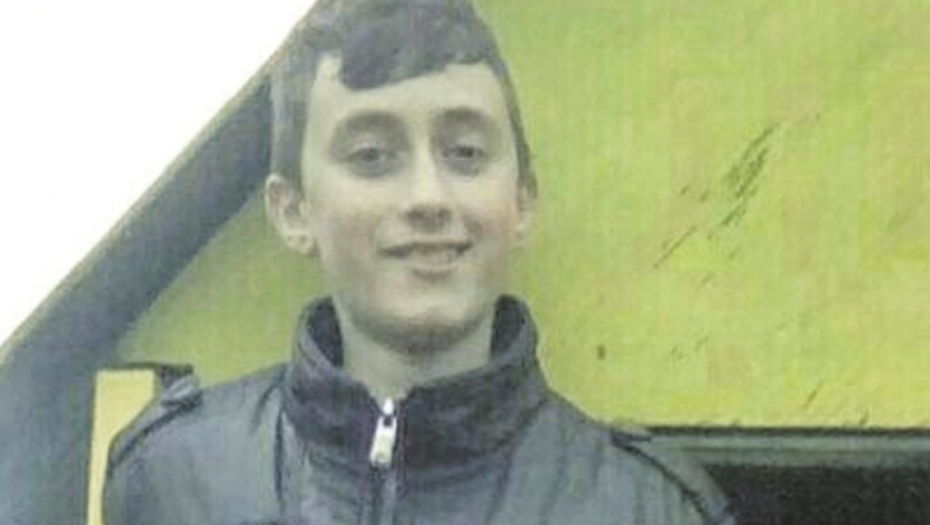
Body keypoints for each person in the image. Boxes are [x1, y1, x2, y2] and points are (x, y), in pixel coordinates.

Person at [103, 0, 736, 523]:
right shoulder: (174, 476)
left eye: (465, 153)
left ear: (520, 201)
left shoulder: (647, 508)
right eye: (372, 157)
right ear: (293, 210)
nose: (428, 197)